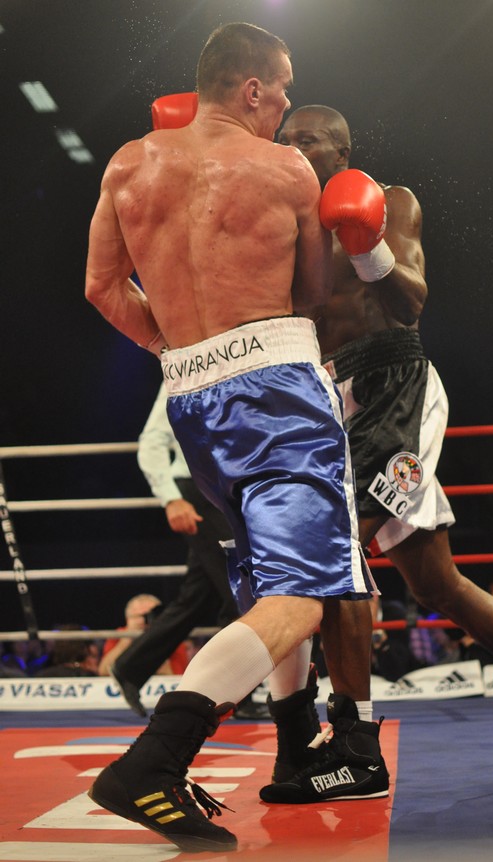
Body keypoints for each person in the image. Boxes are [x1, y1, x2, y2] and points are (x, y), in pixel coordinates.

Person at [84, 24, 384, 854]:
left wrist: (179, 346)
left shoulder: (127, 164)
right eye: (282, 88)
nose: (286, 104)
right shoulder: (285, 169)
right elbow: (312, 295)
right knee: (305, 593)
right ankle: (153, 760)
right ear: (251, 88)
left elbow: (101, 286)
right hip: (277, 392)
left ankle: (292, 752)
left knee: (265, 581)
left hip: (191, 399)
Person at [256, 104, 493, 801]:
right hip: (328, 396)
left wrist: (364, 240)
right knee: (435, 583)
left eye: (308, 139)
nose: (293, 148)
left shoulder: (390, 201)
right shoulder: (286, 228)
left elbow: (410, 302)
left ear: (343, 151)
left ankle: (355, 744)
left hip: (395, 386)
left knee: (333, 551)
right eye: (285, 139)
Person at [108, 382, 249, 718]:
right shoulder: (182, 369)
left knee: (199, 597)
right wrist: (171, 498)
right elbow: (152, 440)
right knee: (238, 592)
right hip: (198, 491)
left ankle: (130, 667)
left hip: (228, 491)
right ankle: (234, 696)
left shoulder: (241, 366)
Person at [98, 593, 189, 679]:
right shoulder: (119, 635)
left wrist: (158, 643)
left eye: (151, 616)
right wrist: (127, 639)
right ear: (128, 619)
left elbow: (177, 679)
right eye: (139, 616)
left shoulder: (171, 637)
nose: (145, 621)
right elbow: (104, 671)